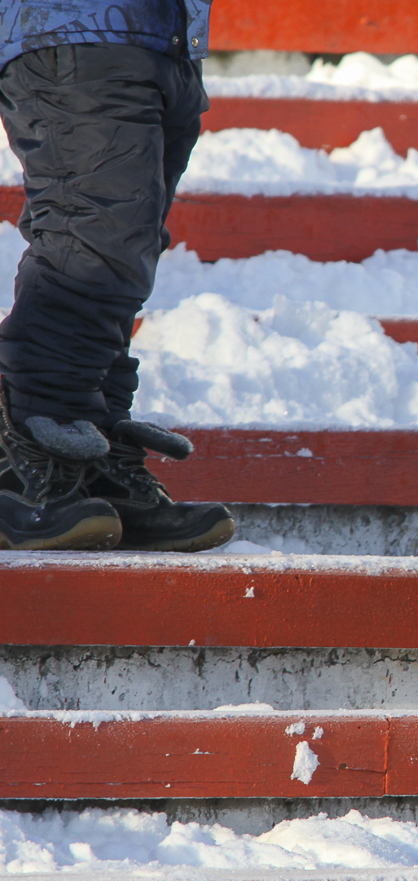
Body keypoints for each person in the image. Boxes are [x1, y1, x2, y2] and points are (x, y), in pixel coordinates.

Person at [0, 0, 234, 551]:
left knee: (127, 248)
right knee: (90, 242)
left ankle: (89, 461)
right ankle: (22, 466)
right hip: (76, 28)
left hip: (162, 37)